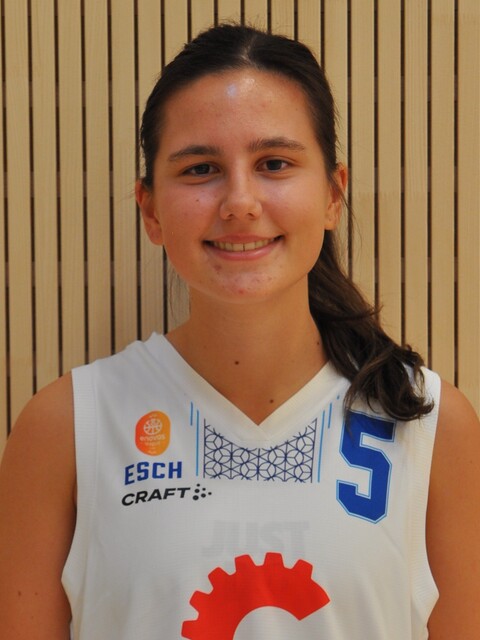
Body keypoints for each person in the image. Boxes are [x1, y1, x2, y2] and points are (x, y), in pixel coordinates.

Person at [0, 23, 479, 640]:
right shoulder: (65, 427)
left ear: (333, 195)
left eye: (274, 163)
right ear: (150, 209)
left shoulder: (430, 422)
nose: (240, 202)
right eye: (201, 169)